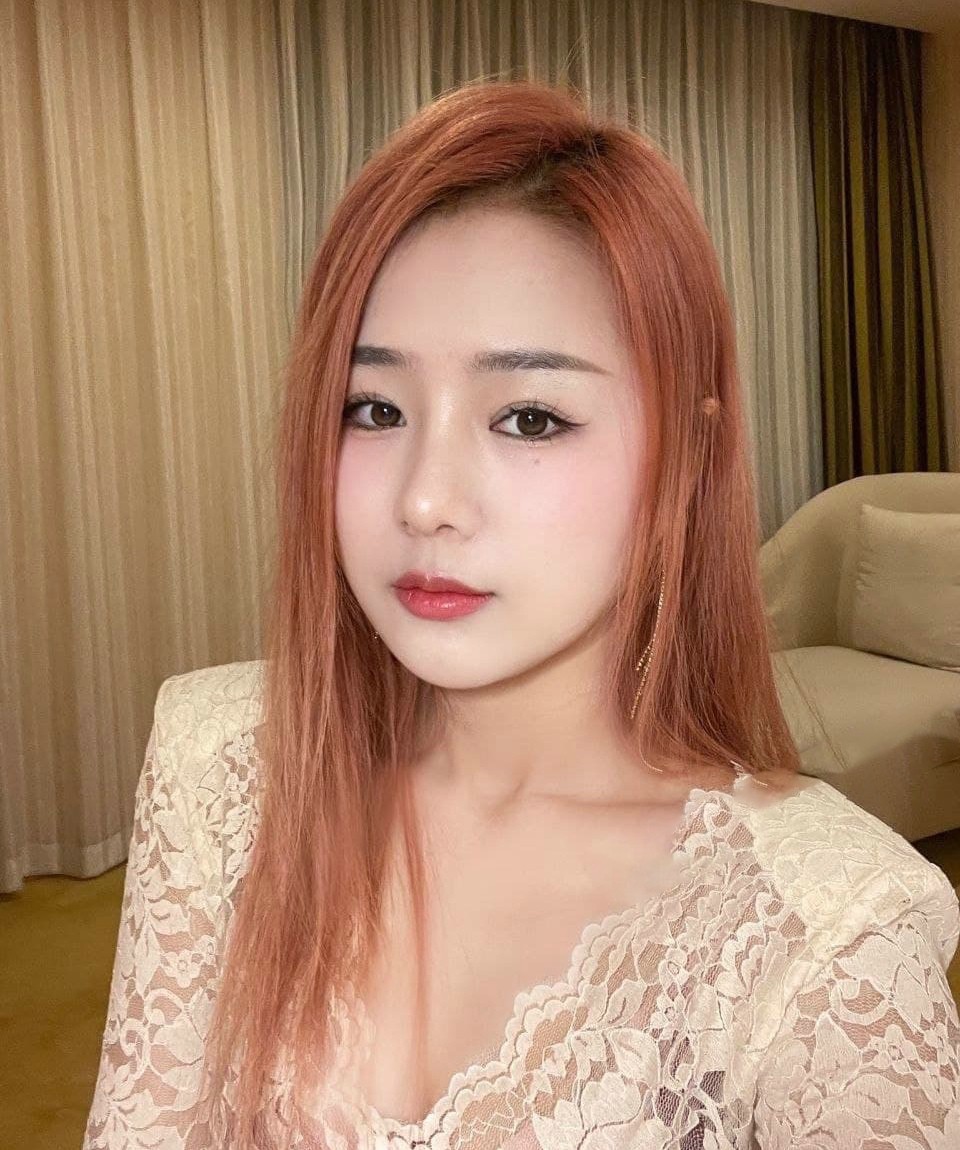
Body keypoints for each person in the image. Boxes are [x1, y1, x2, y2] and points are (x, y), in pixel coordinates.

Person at [83, 78, 960, 1150]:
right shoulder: (221, 766)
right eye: (374, 407)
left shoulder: (828, 941)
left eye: (530, 418)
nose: (425, 501)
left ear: (687, 455)